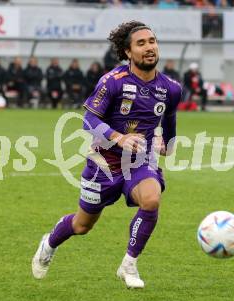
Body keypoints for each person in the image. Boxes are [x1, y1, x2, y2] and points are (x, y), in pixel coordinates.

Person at [32, 21, 182, 289]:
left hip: (140, 161)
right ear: (127, 52)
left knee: (151, 200)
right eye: (141, 43)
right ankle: (49, 244)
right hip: (104, 164)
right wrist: (118, 137)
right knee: (82, 226)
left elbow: (169, 118)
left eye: (152, 41)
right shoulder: (112, 82)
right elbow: (88, 120)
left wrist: (168, 143)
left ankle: (129, 264)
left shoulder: (171, 88)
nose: (150, 47)